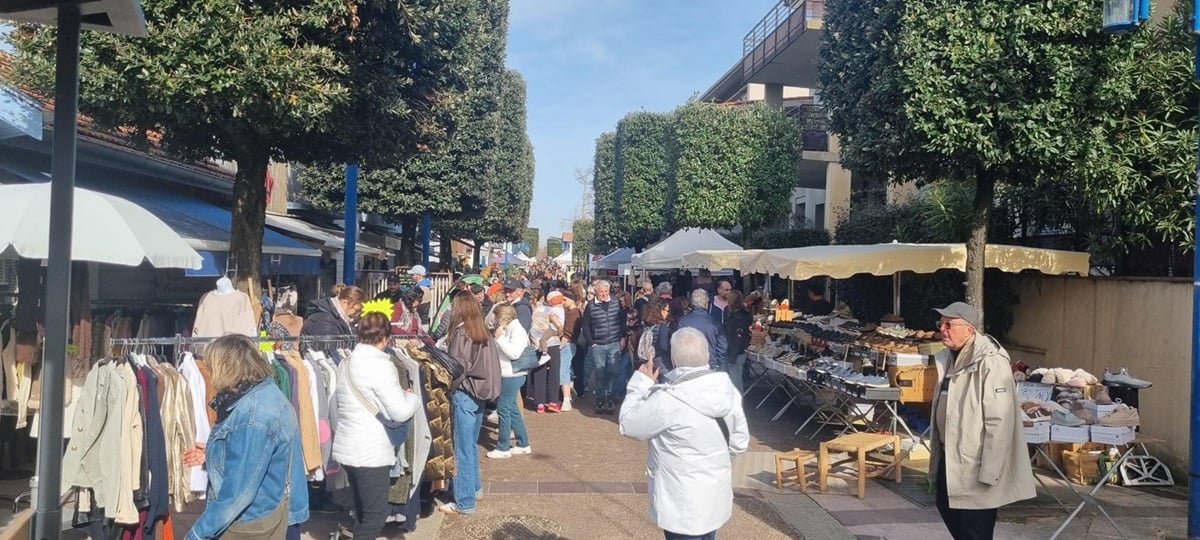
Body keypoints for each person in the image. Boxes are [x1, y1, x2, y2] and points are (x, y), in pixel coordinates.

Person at [618, 327, 749, 540]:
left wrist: (640, 384)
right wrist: (715, 461)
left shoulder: (668, 399)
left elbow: (629, 425)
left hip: (679, 500)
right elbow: (739, 443)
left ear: (673, 359)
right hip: (714, 493)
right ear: (707, 355)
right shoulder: (726, 390)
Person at [182, 334, 309, 540]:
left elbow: (237, 494)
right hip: (274, 512)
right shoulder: (265, 392)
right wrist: (216, 452)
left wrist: (197, 533)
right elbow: (262, 459)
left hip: (253, 523)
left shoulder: (252, 416)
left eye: (211, 366)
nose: (210, 373)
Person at [930, 302, 1035, 539]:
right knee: (946, 507)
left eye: (949, 324)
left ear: (970, 329)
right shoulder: (947, 357)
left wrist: (991, 470)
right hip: (950, 455)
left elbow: (1000, 420)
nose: (943, 329)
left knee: (974, 529)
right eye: (941, 324)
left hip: (976, 461)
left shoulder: (990, 360)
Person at [331, 312, 424, 539]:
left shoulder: (346, 362)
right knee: (374, 517)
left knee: (363, 512)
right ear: (385, 337)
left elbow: (335, 405)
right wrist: (412, 397)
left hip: (348, 447)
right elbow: (400, 411)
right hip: (370, 450)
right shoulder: (381, 366)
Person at [439, 292, 502, 516]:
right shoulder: (484, 331)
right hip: (482, 392)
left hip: (465, 392)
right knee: (471, 446)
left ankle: (464, 501)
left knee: (462, 449)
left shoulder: (461, 333)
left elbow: (457, 367)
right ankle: (474, 488)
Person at [488, 304, 533, 458]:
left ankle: (503, 447)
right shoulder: (511, 329)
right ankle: (523, 443)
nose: (494, 321)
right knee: (512, 409)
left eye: (496, 317)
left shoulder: (517, 330)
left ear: (503, 318)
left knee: (503, 409)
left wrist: (499, 338)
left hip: (512, 374)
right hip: (508, 373)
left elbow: (514, 353)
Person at [580, 279, 626, 414]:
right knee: (600, 373)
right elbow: (586, 325)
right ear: (596, 292)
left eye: (606, 291)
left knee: (613, 371)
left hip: (613, 342)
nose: (604, 294)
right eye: (601, 291)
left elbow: (622, 320)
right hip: (598, 344)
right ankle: (600, 400)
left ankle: (609, 397)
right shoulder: (590, 306)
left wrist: (623, 337)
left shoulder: (616, 302)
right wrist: (591, 342)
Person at [529, 290, 566, 413]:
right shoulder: (552, 311)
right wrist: (560, 333)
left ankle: (539, 403)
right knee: (554, 373)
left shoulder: (536, 309)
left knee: (539, 372)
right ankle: (552, 401)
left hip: (537, 343)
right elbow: (558, 325)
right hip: (552, 343)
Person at [677, 289, 727, 371]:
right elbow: (722, 345)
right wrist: (718, 362)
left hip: (687, 364)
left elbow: (678, 344)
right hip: (709, 363)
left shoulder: (683, 321)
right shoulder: (714, 322)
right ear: (706, 304)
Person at [723, 290, 753, 393]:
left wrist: (733, 355)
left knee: (735, 382)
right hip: (737, 351)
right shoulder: (742, 314)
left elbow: (737, 338)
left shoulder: (736, 317)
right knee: (734, 380)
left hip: (735, 352)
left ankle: (737, 405)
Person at [559, 291, 583, 411]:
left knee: (563, 371)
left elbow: (568, 332)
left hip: (567, 344)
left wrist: (560, 346)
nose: (562, 302)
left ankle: (566, 399)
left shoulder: (573, 313)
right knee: (568, 369)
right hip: (570, 343)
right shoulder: (573, 312)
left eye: (564, 300)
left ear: (571, 300)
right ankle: (571, 392)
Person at [641, 297, 673, 374]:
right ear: (660, 311)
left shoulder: (646, 324)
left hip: (647, 360)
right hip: (661, 361)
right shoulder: (662, 326)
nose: (667, 313)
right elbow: (664, 346)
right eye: (666, 310)